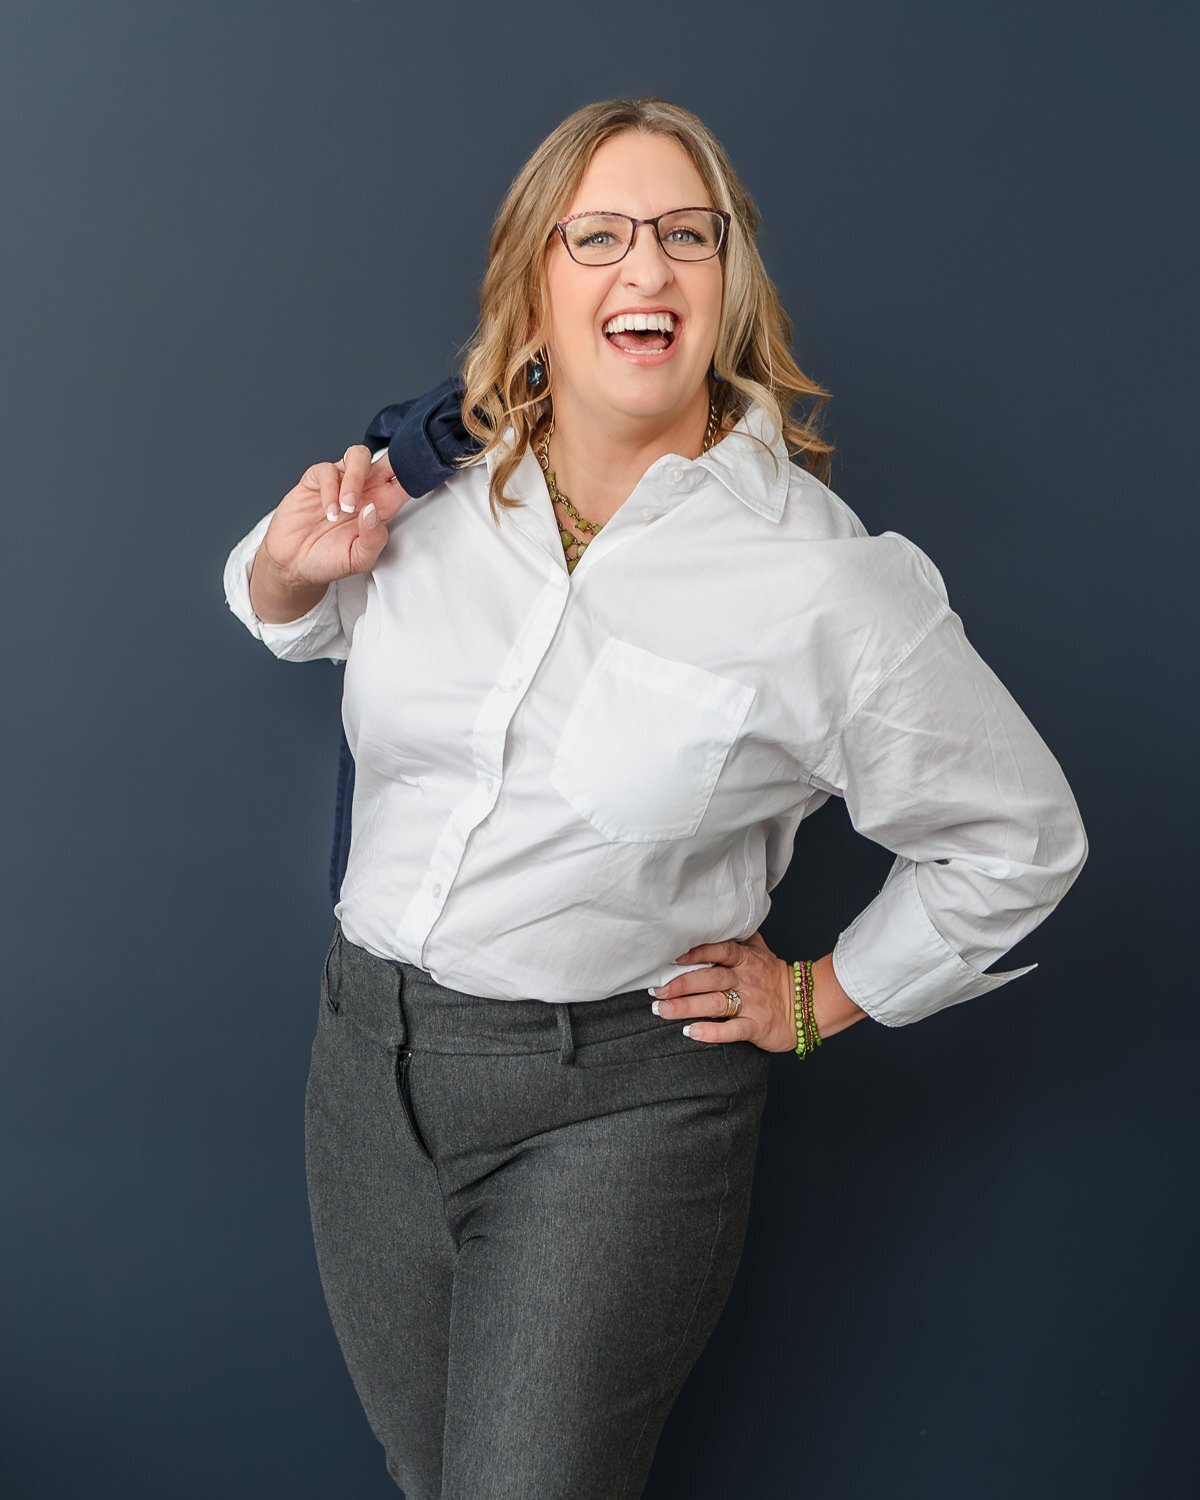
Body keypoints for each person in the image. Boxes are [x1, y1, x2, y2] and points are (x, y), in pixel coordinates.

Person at [221, 96, 1088, 1499]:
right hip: (365, 1067)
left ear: (728, 283)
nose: (650, 267)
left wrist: (822, 995)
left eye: (690, 235)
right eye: (603, 236)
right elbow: (294, 619)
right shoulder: (431, 485)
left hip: (613, 1111)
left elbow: (1017, 835)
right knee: (430, 1479)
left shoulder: (815, 576)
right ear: (535, 283)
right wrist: (284, 569)